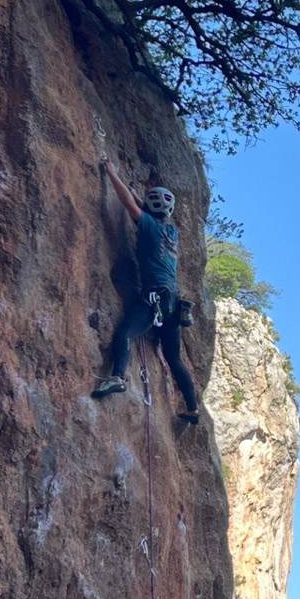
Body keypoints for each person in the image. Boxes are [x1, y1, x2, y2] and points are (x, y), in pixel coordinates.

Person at [92, 153, 200, 424]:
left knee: (125, 334)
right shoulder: (170, 232)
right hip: (173, 302)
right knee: (174, 359)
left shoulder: (149, 227)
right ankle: (193, 410)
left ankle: (117, 377)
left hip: (154, 298)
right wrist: (135, 193)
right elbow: (142, 208)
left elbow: (130, 205)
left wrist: (111, 172)